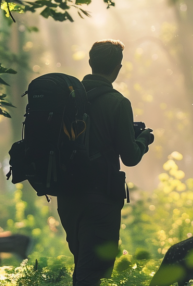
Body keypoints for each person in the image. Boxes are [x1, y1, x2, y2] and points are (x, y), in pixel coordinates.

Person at [56, 39, 154, 286]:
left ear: (90, 63)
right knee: (93, 273)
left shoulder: (67, 98)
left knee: (82, 265)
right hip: (100, 199)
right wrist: (142, 140)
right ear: (118, 68)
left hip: (66, 196)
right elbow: (130, 157)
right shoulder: (118, 102)